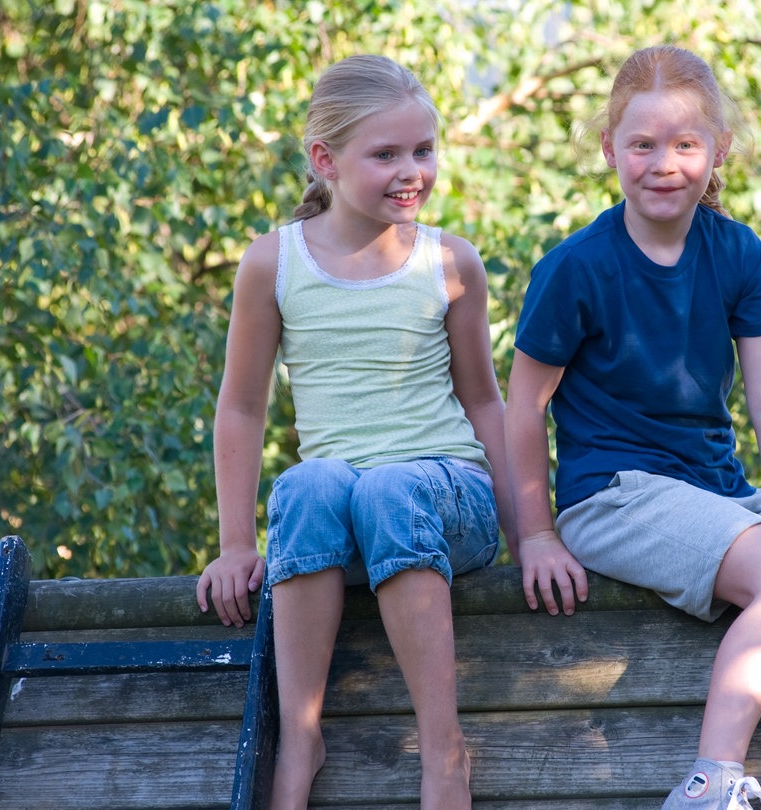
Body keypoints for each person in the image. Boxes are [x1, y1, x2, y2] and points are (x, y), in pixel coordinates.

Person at [504, 44, 761, 810]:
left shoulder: (736, 252)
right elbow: (519, 408)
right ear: (610, 149)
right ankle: (711, 781)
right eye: (643, 145)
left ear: (718, 150)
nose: (664, 164)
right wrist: (534, 536)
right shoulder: (577, 268)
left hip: (716, 494)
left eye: (686, 144)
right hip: (614, 498)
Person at [195, 54, 515, 810]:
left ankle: (444, 751)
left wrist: (533, 532)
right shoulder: (273, 263)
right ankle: (300, 735)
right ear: (325, 160)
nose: (413, 171)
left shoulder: (450, 263)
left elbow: (487, 404)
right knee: (307, 482)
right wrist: (237, 544)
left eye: (424, 151)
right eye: (387, 154)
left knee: (391, 488)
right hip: (341, 518)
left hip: (446, 500)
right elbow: (241, 407)